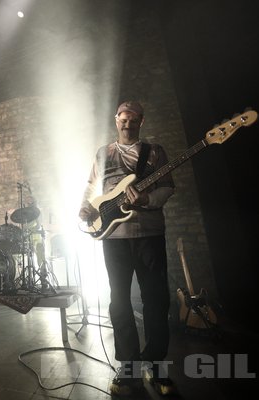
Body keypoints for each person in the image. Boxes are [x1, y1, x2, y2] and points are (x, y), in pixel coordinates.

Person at [78, 101, 176, 396]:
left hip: (148, 234)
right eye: (123, 118)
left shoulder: (155, 152)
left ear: (141, 122)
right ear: (116, 120)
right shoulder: (102, 153)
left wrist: (145, 200)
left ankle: (157, 366)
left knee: (156, 301)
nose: (128, 124)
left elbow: (167, 187)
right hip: (113, 236)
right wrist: (85, 207)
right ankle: (129, 367)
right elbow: (91, 185)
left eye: (133, 120)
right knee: (118, 302)